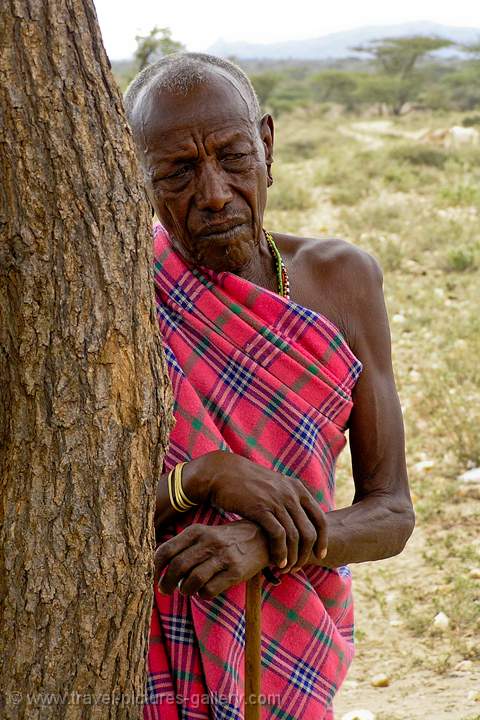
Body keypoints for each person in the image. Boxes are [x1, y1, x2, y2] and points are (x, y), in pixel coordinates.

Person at [124, 53, 415, 720]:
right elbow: (73, 515)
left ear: (268, 144)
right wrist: (202, 478)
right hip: (156, 647)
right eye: (178, 172)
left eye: (232, 157)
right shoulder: (124, 293)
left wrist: (264, 544)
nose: (215, 193)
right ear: (138, 180)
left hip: (295, 638)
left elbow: (391, 513)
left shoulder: (342, 281)